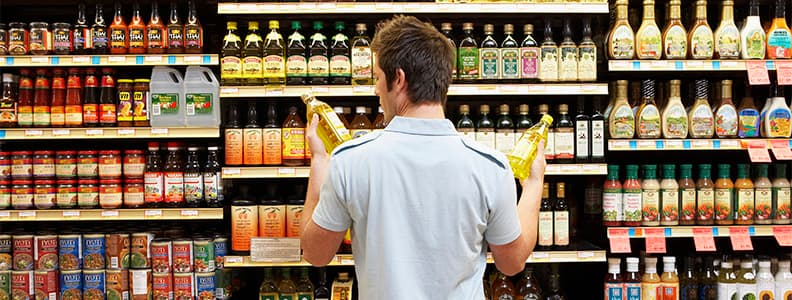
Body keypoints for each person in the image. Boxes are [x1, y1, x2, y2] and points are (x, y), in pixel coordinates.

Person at [300, 15, 545, 299]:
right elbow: (512, 262)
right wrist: (534, 183)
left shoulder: (351, 161)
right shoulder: (489, 166)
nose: (376, 89)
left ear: (399, 79)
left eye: (378, 78)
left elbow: (315, 253)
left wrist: (319, 162)